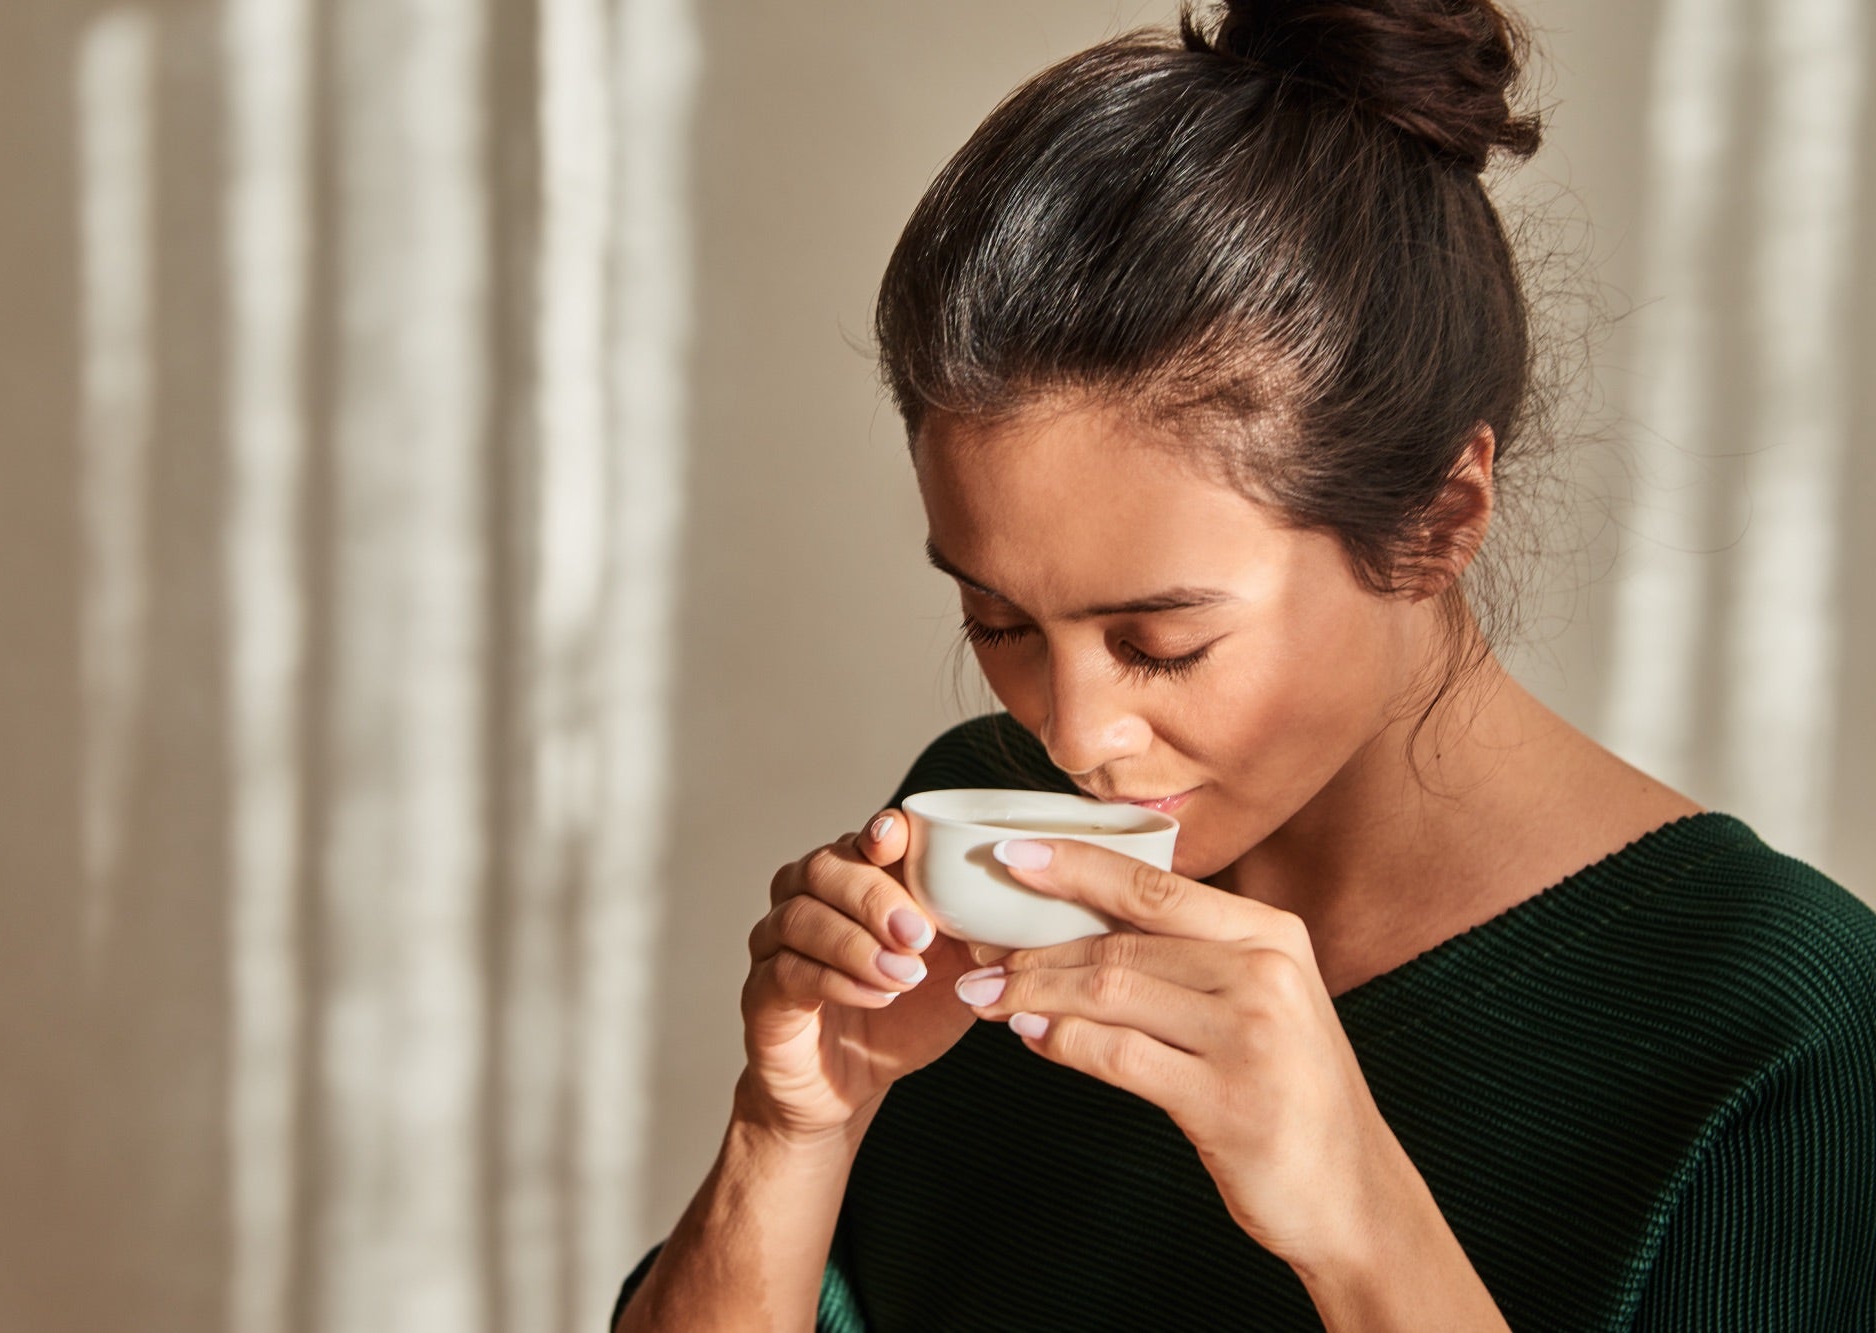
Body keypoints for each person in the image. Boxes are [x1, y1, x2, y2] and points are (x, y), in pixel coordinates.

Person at [614, 0, 1876, 1327]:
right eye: (997, 624)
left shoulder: (1775, 1035)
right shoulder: (974, 880)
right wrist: (793, 1127)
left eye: (1163, 643)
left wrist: (1362, 1223)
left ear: (1440, 519)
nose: (1074, 736)